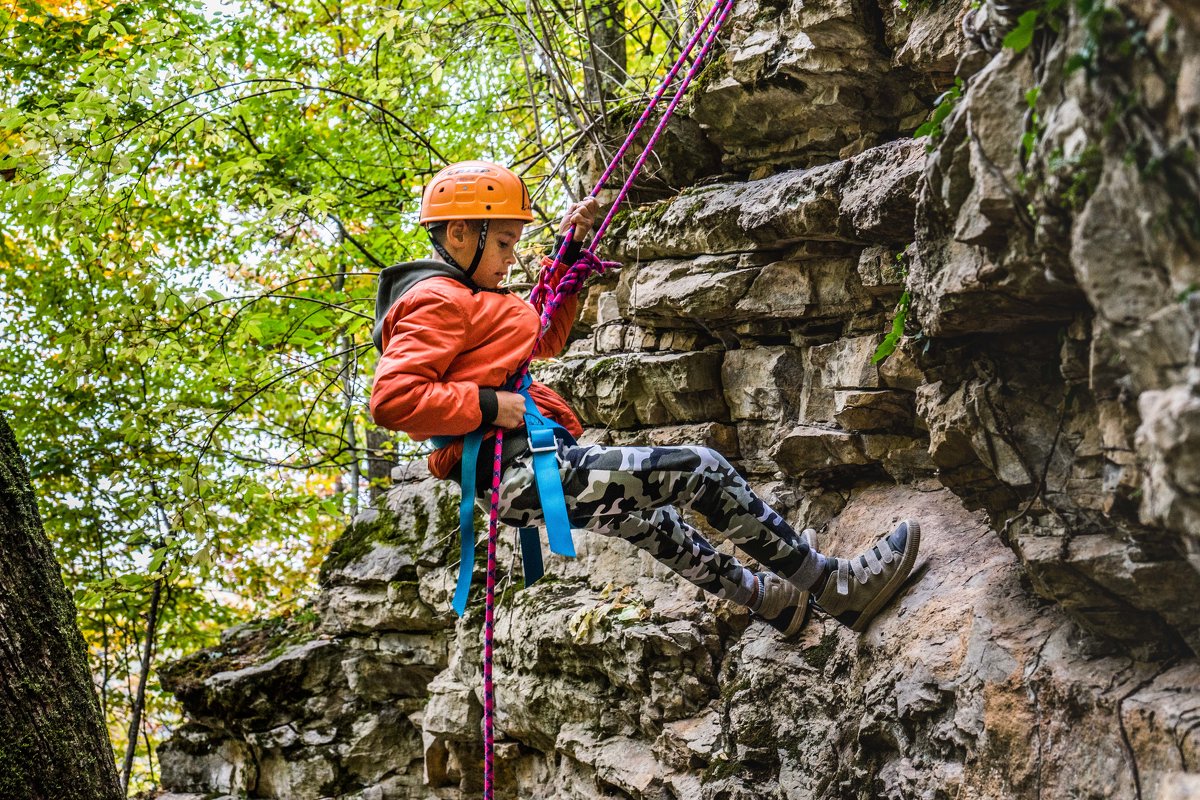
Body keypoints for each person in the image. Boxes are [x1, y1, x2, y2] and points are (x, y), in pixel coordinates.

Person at [370, 160, 921, 637]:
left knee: (655, 524)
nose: (511, 258)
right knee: (701, 470)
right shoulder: (437, 301)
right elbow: (393, 399)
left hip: (521, 473)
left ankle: (774, 604)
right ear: (461, 234)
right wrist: (491, 407)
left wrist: (570, 252)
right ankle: (835, 585)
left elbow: (542, 336)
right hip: (518, 468)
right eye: (505, 243)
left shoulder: (467, 295)